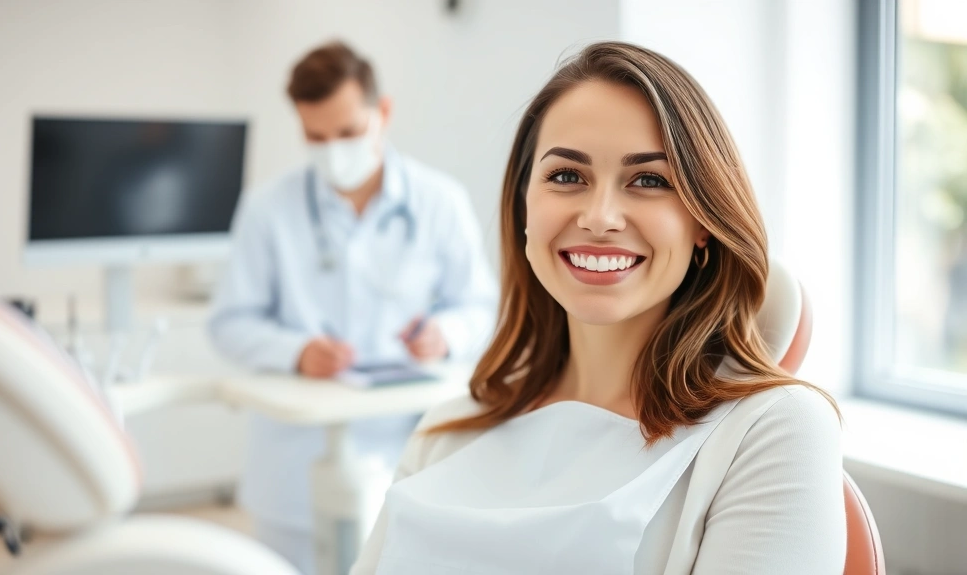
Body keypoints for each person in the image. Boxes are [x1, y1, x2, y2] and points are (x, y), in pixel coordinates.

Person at [351, 41, 846, 574]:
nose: (600, 216)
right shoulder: (447, 430)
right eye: (567, 176)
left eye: (649, 180)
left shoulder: (773, 431)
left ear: (703, 222)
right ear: (525, 205)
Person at [208, 41, 498, 574]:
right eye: (315, 137)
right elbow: (230, 323)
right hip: (295, 463)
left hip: (409, 452)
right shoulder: (268, 208)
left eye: (347, 133)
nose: (333, 150)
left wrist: (446, 333)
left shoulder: (439, 201)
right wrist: (295, 352)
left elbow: (480, 304)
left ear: (381, 112)